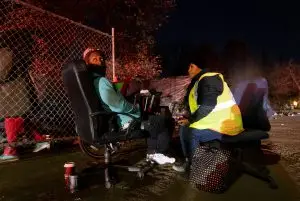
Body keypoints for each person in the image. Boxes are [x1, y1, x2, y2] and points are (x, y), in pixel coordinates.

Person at [83, 47, 175, 165]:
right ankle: (159, 152)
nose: (100, 61)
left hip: (110, 120)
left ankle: (153, 153)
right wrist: (135, 109)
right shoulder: (101, 81)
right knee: (164, 121)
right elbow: (118, 105)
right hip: (125, 122)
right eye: (94, 59)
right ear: (87, 63)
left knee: (152, 121)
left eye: (101, 59)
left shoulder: (89, 82)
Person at [172, 52, 244, 172]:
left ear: (199, 67)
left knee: (190, 132)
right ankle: (192, 161)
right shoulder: (200, 81)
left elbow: (207, 106)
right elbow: (198, 106)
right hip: (216, 122)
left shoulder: (208, 79)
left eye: (192, 66)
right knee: (185, 128)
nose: (188, 69)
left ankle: (194, 166)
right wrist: (186, 116)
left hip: (226, 125)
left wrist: (190, 120)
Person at [230, 60, 274, 131]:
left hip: (240, 124)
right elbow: (265, 125)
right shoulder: (257, 93)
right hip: (250, 126)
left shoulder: (240, 90)